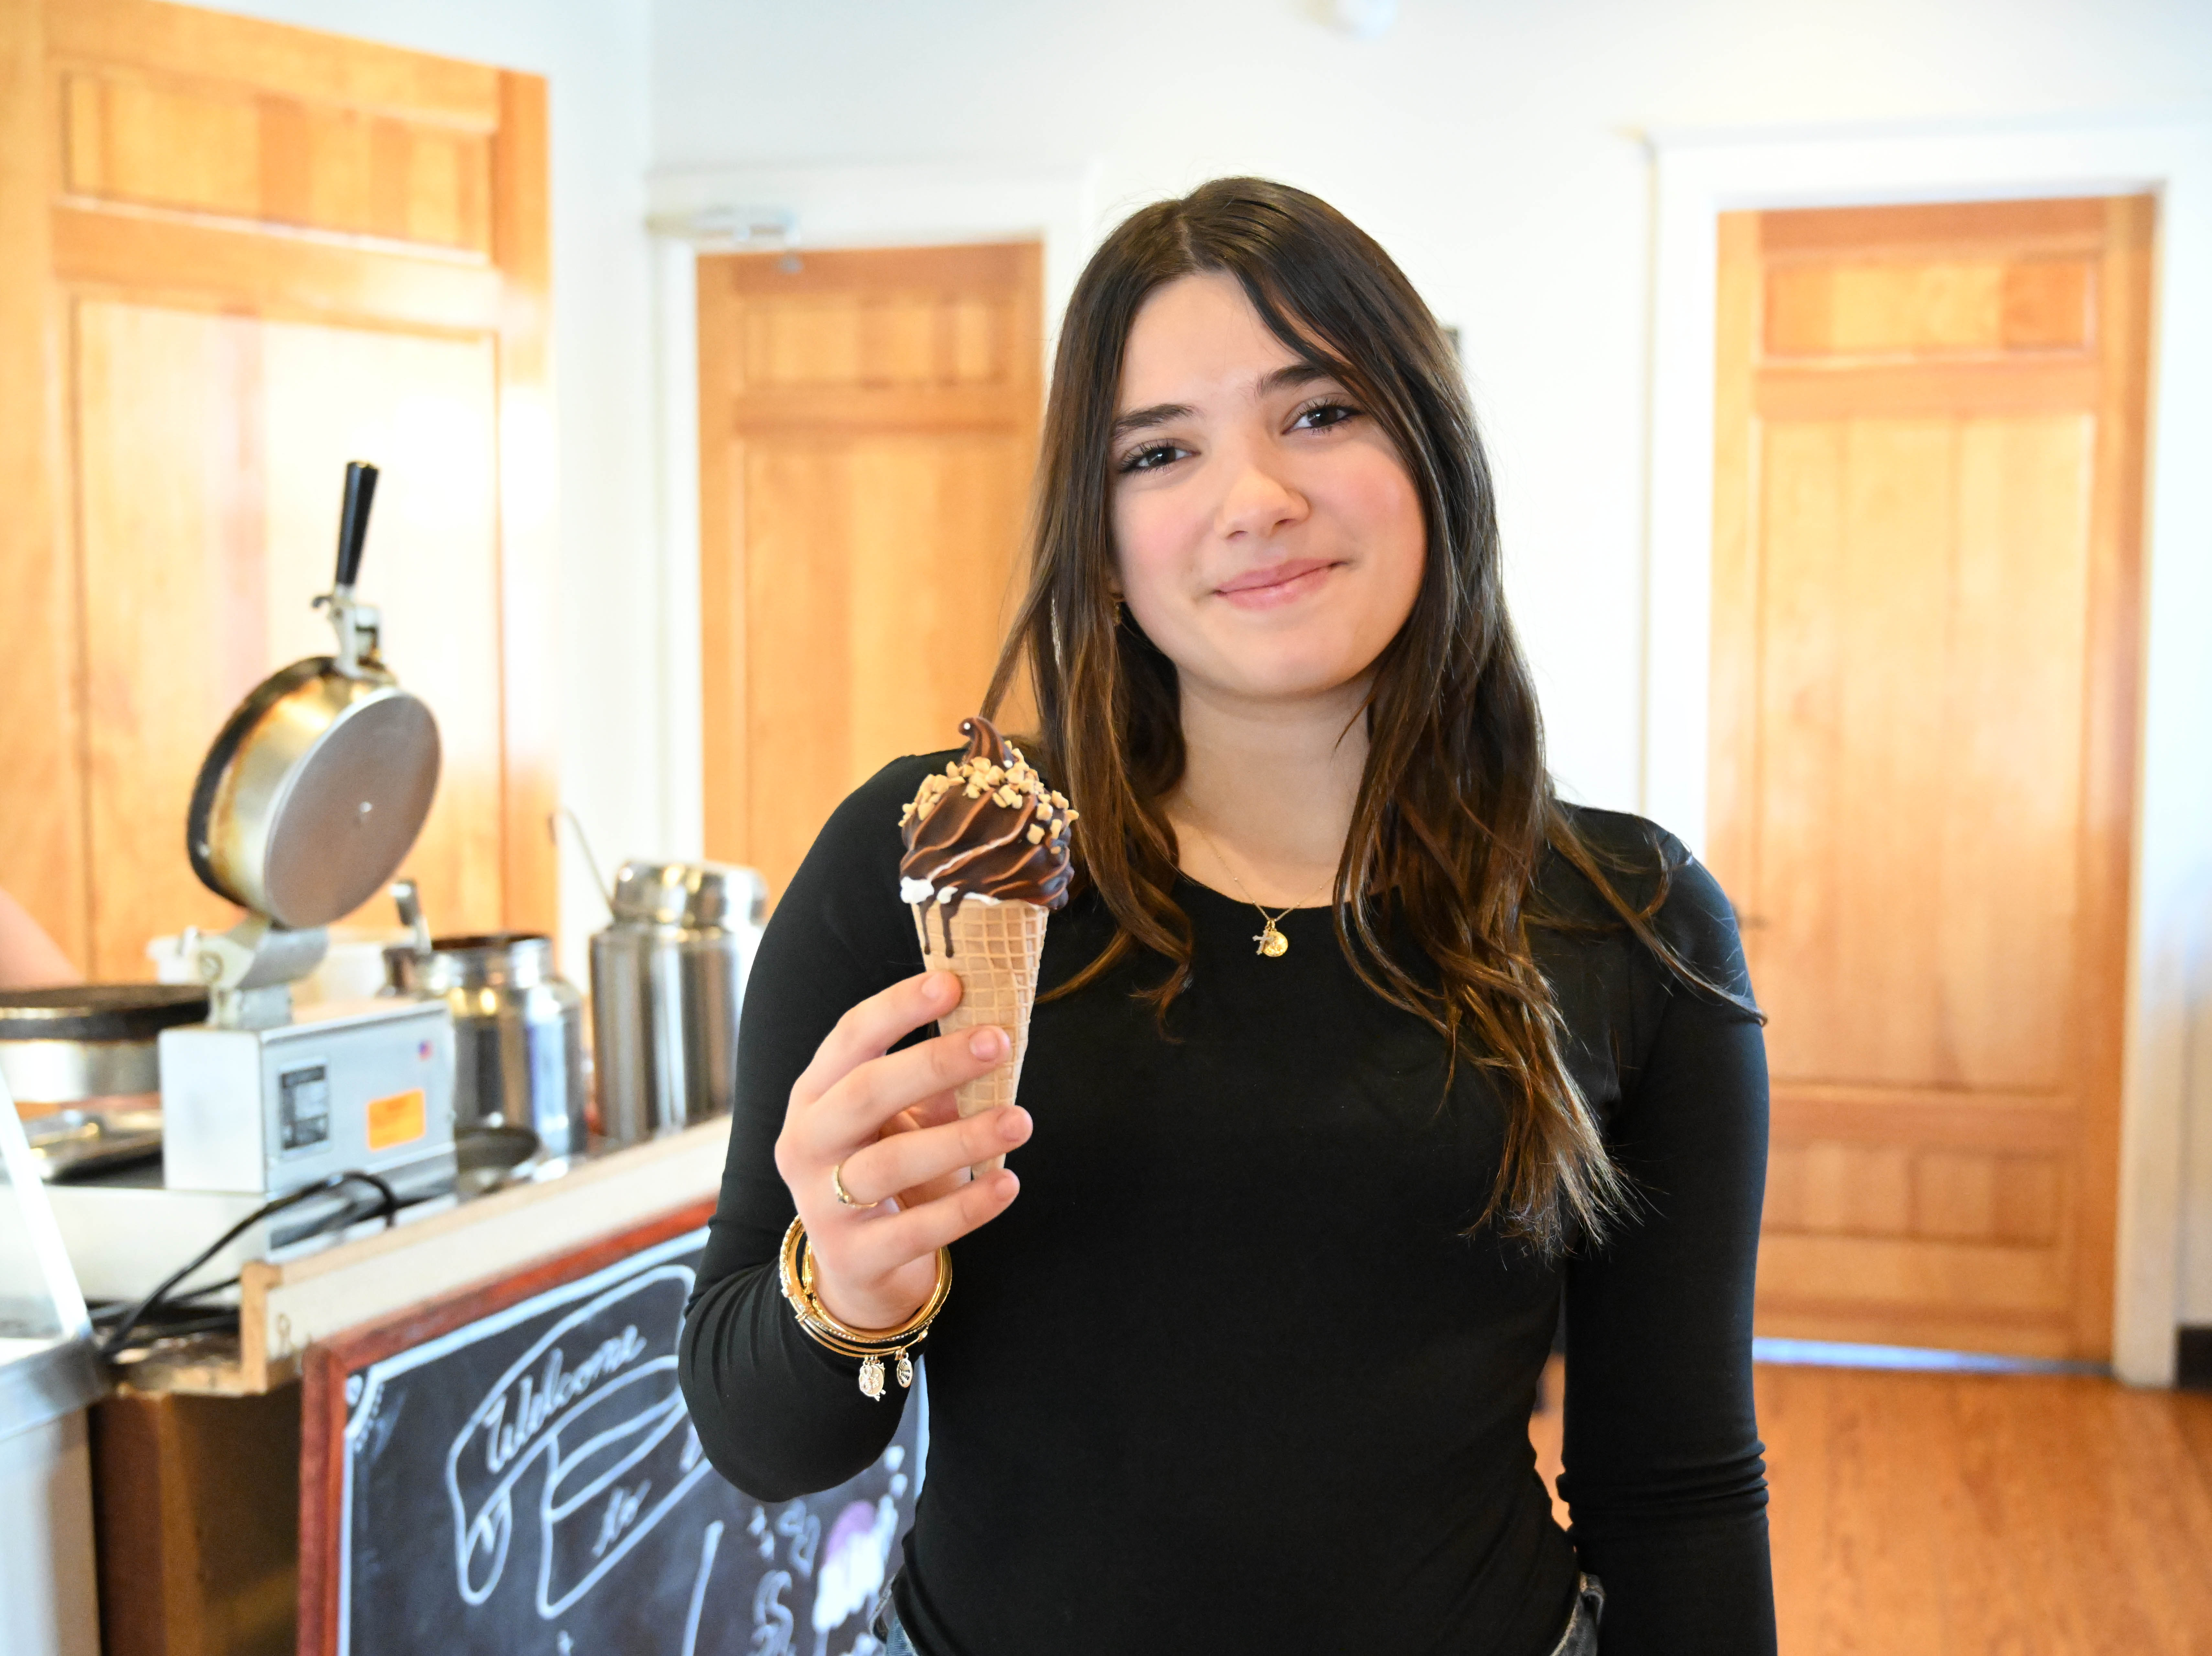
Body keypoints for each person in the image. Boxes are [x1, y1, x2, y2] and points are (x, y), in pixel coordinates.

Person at [679, 178, 1774, 1655]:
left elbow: (1677, 1484)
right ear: (1104, 533)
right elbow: (769, 1441)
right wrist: (844, 1287)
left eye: (1318, 412)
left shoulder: (1631, 921)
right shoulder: (939, 863)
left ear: (1433, 448)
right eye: (1162, 450)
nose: (1254, 496)